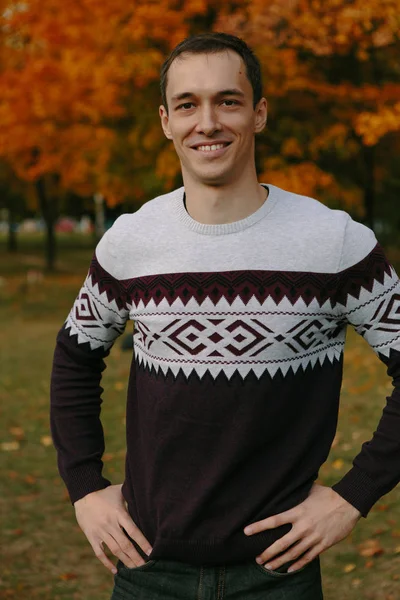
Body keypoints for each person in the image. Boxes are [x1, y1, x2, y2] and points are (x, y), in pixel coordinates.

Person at [50, 32, 400, 600]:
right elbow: (74, 357)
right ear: (166, 121)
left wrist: (354, 495)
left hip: (277, 573)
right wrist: (85, 487)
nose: (207, 122)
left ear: (259, 113)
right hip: (147, 571)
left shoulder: (333, 243)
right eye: (188, 104)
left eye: (227, 101)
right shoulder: (131, 242)